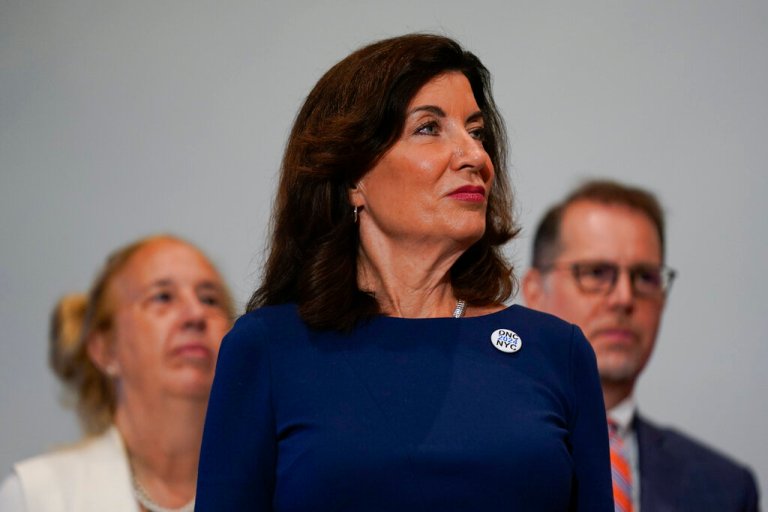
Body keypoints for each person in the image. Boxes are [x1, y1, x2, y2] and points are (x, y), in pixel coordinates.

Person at [196, 33, 613, 511]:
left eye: (476, 132)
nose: (475, 157)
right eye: (429, 128)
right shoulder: (267, 350)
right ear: (353, 177)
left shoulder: (558, 353)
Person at [522, 179, 760, 511]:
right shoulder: (476, 452)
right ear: (534, 291)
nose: (624, 298)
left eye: (645, 277)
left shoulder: (726, 489)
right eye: (596, 272)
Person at [0, 235, 234, 512]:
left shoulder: (274, 492)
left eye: (210, 299)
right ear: (105, 349)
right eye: (163, 297)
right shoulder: (39, 495)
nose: (195, 314)